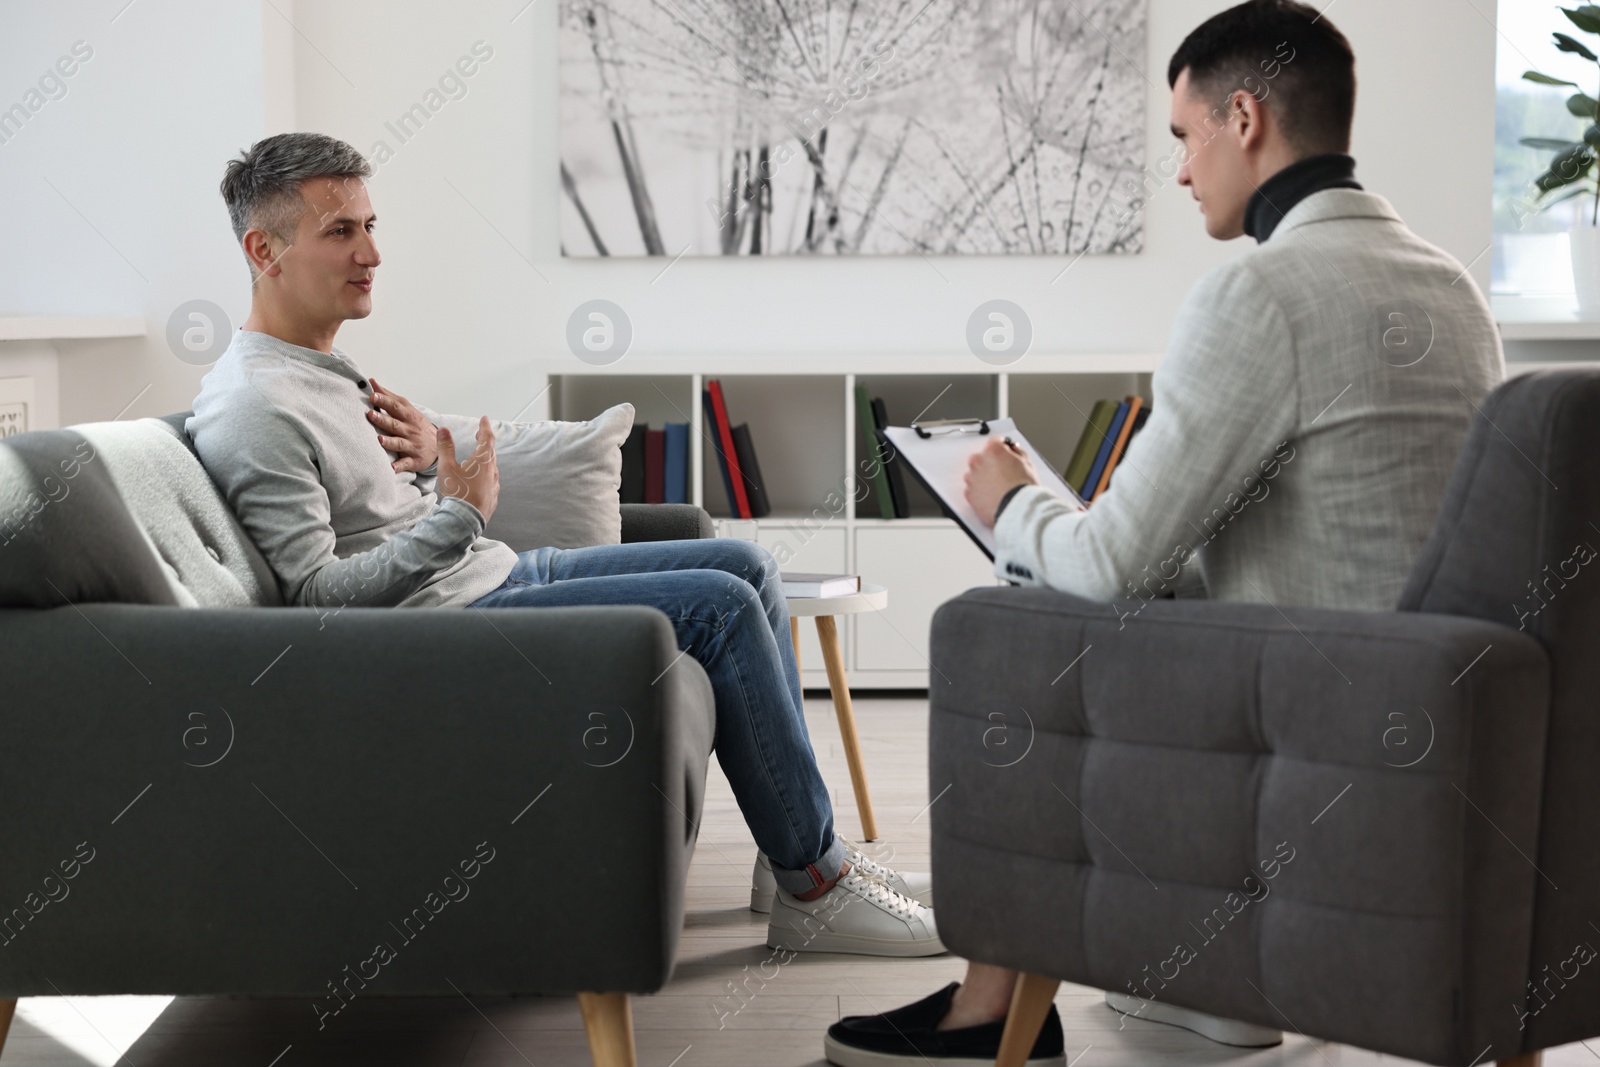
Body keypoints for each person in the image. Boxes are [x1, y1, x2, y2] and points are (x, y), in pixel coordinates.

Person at [823, 0, 1504, 1063]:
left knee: (1007, 626)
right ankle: (1185, 972)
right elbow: (1339, 512)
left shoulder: (1264, 292)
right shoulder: (1447, 284)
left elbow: (1105, 566)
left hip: (1302, 711)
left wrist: (1011, 499)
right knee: (1065, 602)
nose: (1180, 172)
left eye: (1183, 138)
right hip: (1425, 698)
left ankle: (993, 1008)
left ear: (1243, 118)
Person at [186, 131, 942, 959]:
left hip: (493, 577)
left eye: (371, 225)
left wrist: (437, 466)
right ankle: (819, 889)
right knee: (720, 608)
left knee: (746, 563)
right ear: (264, 250)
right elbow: (318, 602)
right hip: (451, 626)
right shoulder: (255, 404)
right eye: (341, 232)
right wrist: (465, 511)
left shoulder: (321, 369)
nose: (372, 252)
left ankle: (791, 849)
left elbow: (381, 518)